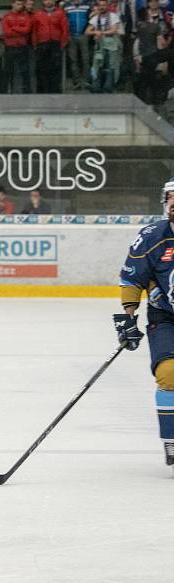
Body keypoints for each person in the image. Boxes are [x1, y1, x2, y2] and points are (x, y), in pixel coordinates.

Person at [115, 177, 174, 471]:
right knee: (168, 372)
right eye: (171, 197)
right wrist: (128, 318)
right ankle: (173, 440)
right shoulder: (151, 236)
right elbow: (131, 278)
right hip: (165, 317)